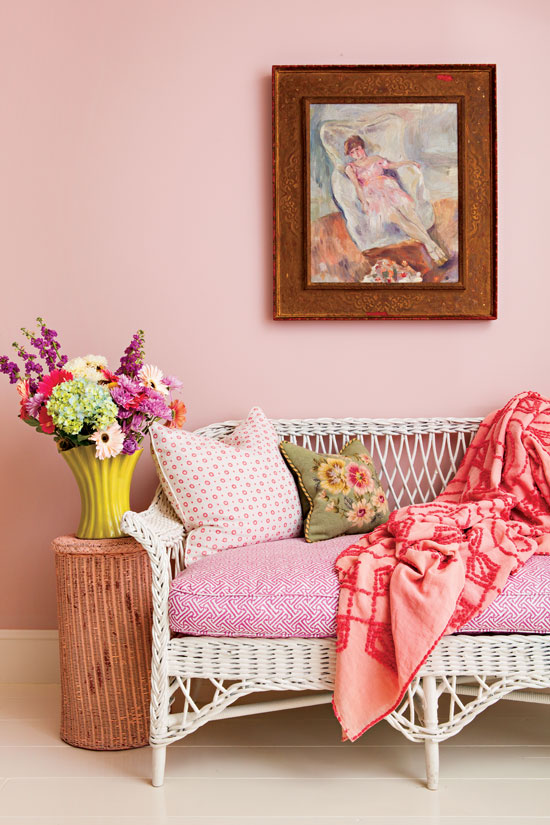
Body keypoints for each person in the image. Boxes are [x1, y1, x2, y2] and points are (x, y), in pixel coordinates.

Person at [344, 135, 447, 266]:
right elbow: (357, 186)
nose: (356, 154)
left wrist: (410, 163)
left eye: (357, 149)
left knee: (411, 215)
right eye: (352, 152)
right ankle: (431, 245)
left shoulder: (376, 159)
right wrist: (364, 202)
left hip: (390, 188)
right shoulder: (351, 168)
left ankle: (431, 246)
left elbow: (393, 165)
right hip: (374, 196)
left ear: (362, 148)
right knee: (400, 220)